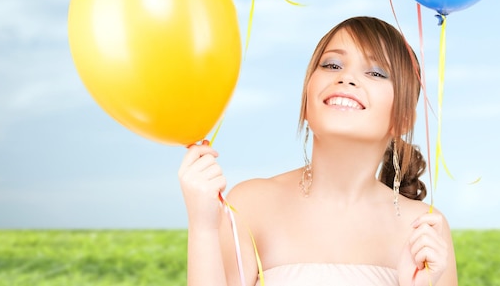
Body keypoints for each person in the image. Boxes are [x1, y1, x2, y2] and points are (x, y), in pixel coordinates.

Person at [179, 16, 458, 286]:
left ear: (404, 119)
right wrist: (203, 226)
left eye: (375, 72)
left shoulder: (424, 229)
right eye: (332, 65)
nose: (346, 78)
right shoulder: (251, 204)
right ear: (307, 98)